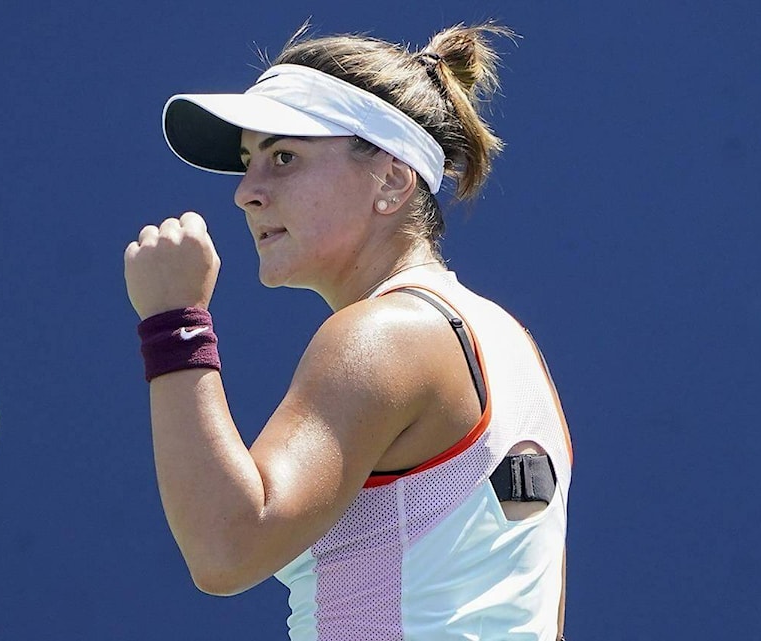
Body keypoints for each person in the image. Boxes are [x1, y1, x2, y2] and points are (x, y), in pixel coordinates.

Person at [124, 21, 573, 641]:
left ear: (391, 181)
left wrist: (174, 321)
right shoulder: (505, 341)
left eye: (284, 157)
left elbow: (226, 547)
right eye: (249, 163)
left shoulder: (384, 335)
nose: (246, 193)